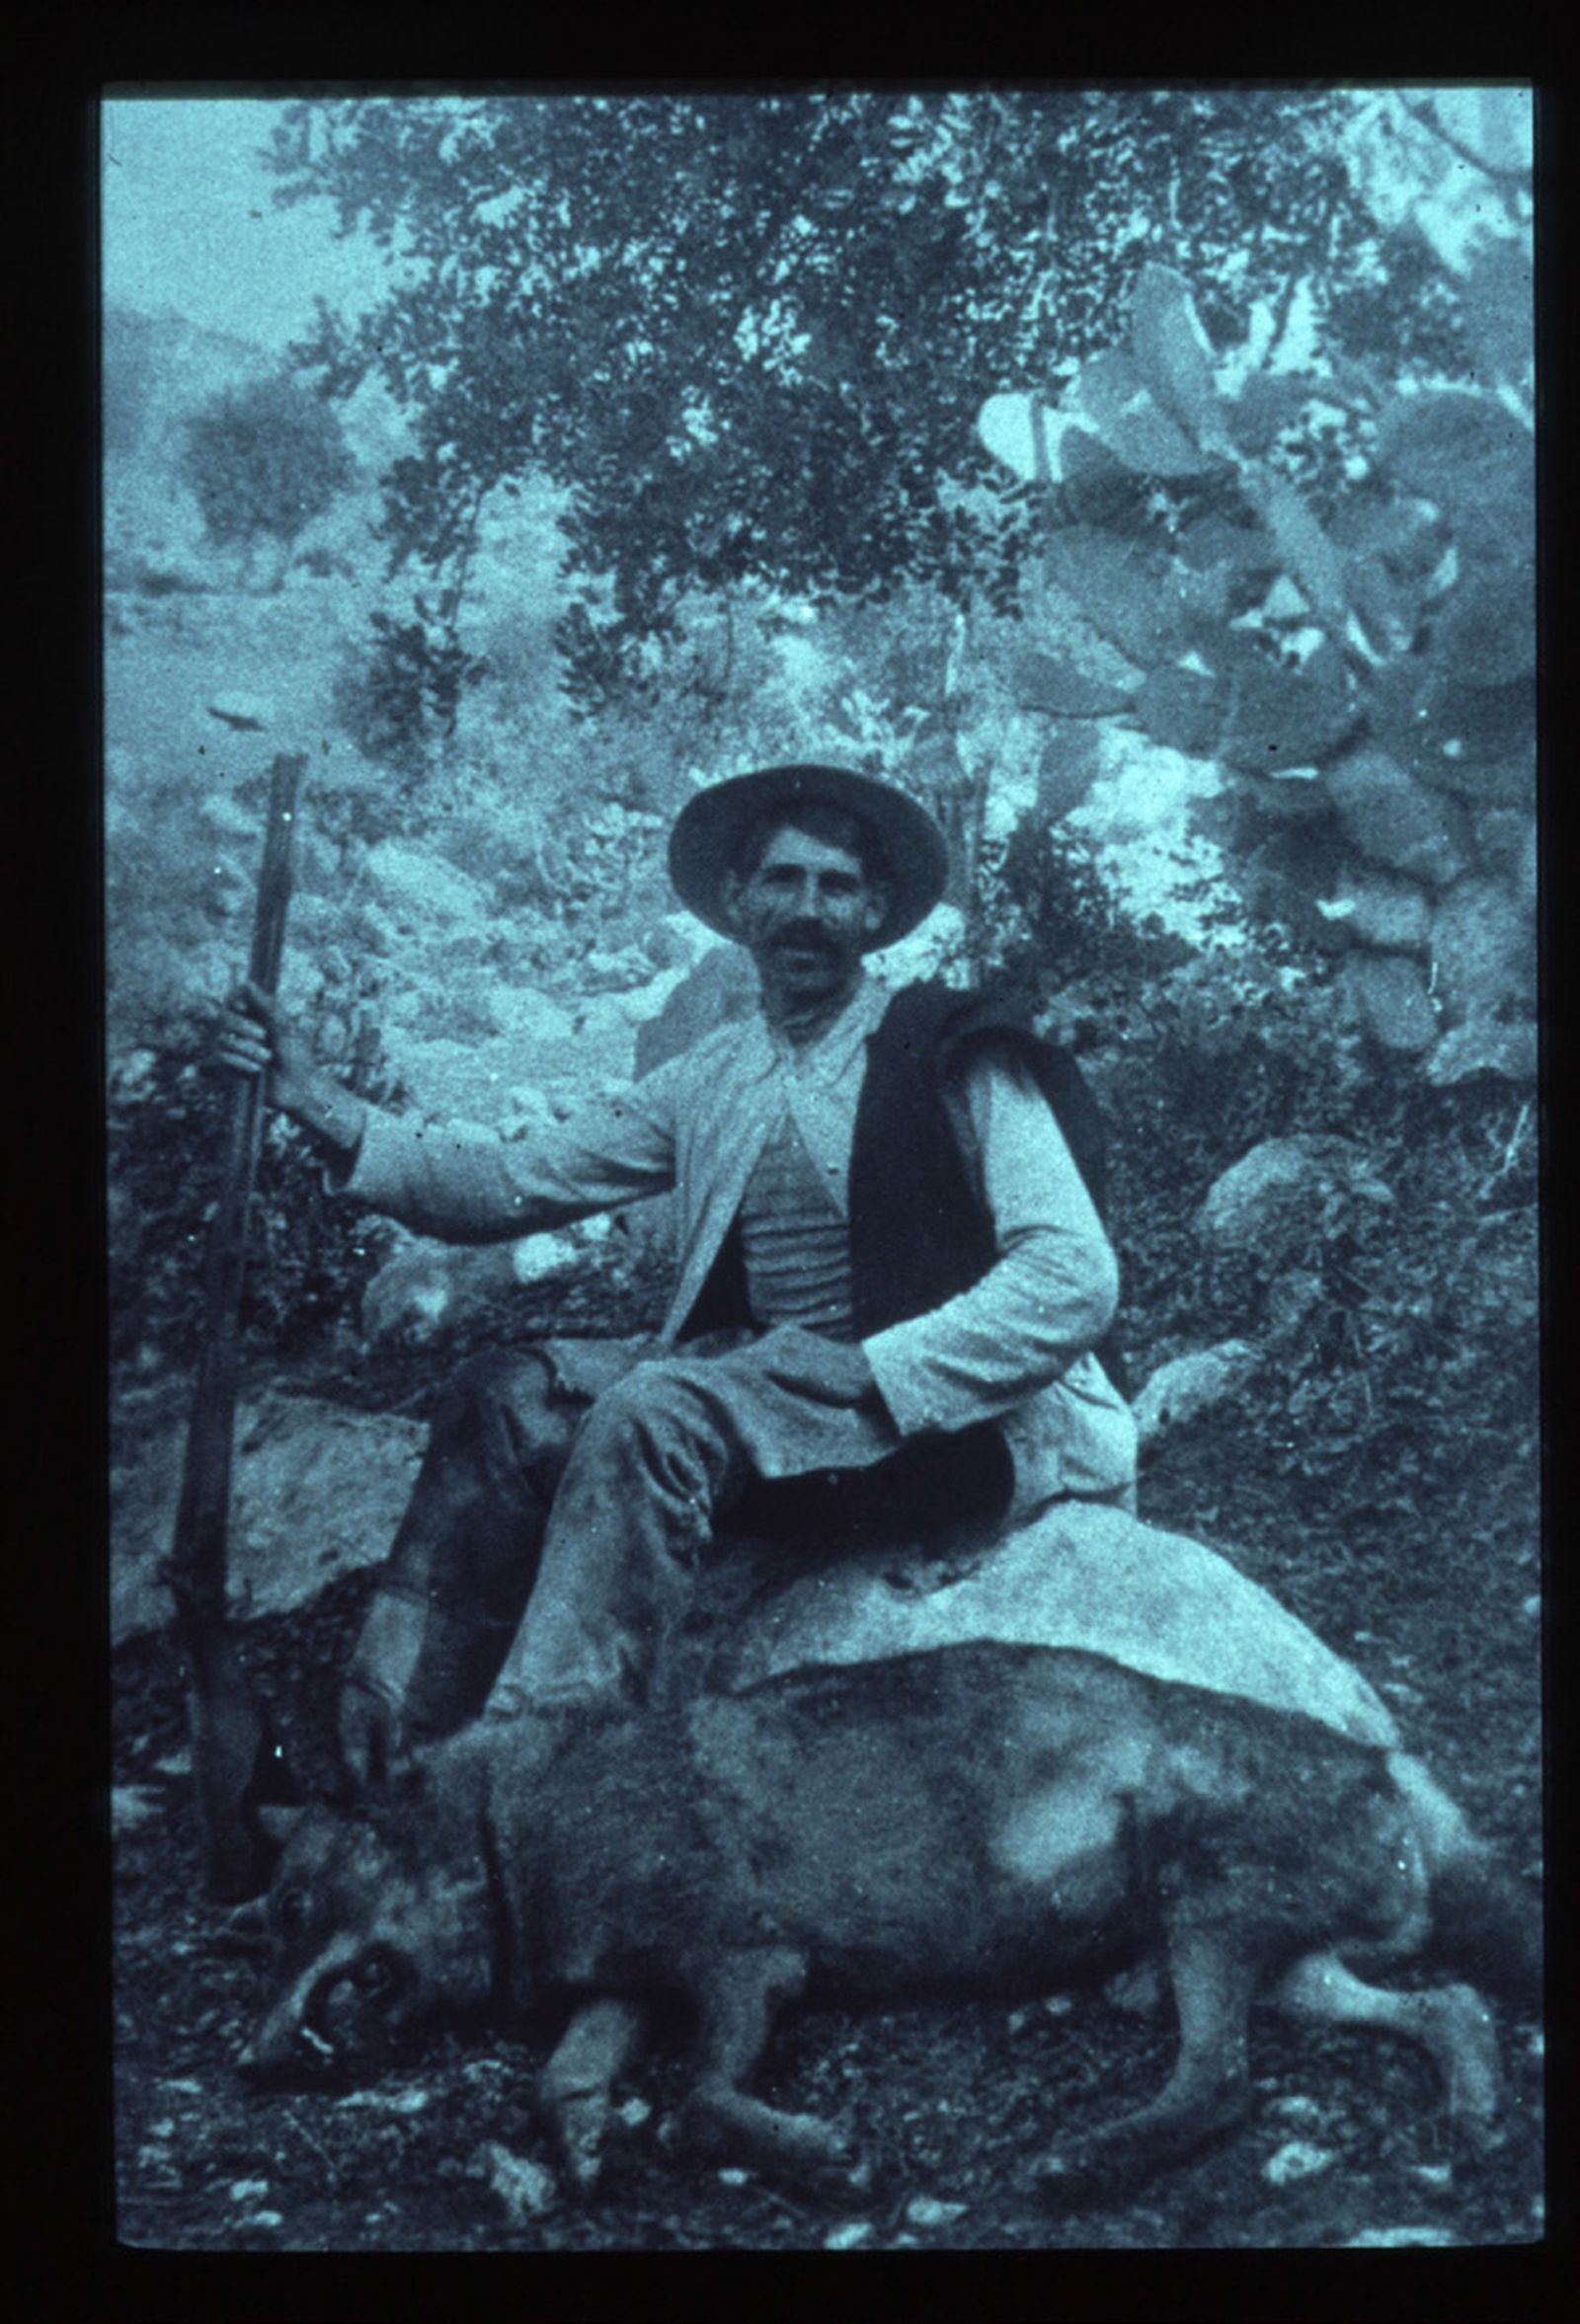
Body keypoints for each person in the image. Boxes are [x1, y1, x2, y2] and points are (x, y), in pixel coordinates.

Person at [217, 763, 1137, 1782]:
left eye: (836, 886)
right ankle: (393, 1753)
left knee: (651, 1412)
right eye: (781, 880)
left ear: (875, 911)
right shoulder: (712, 1073)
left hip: (947, 1420)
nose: (807, 909)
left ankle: (539, 1775)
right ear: (737, 902)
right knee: (502, 1395)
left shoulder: (950, 1048)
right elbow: (505, 1183)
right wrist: (317, 1099)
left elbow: (1071, 1276)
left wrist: (875, 1365)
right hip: (778, 1399)